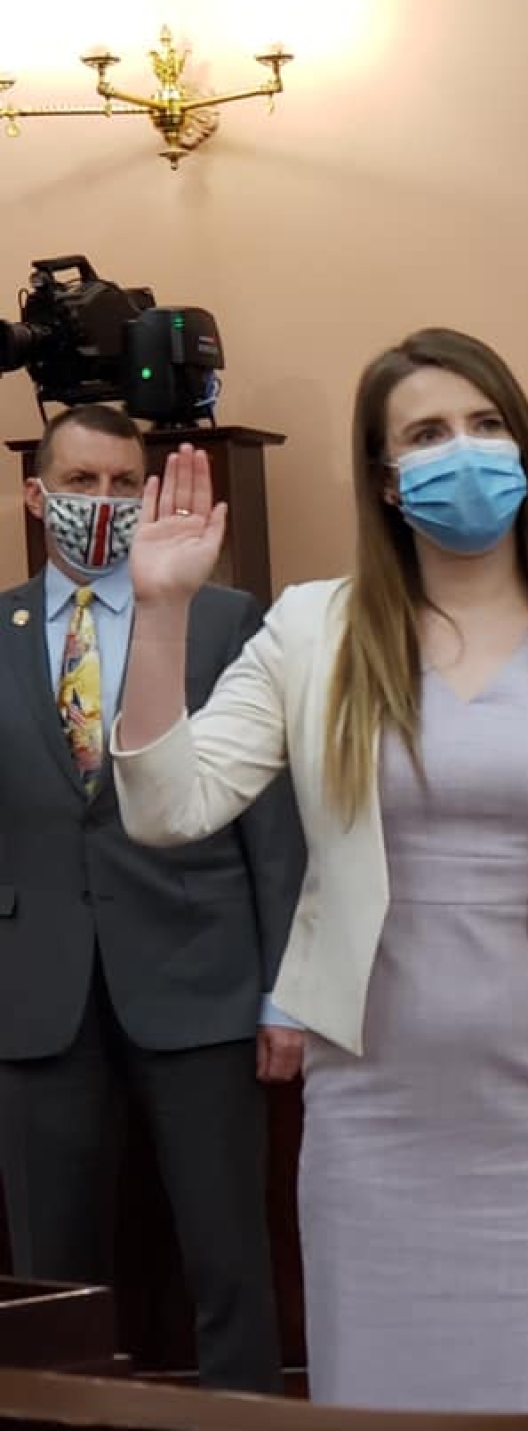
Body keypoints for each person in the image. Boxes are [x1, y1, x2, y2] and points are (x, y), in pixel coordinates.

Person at [112, 327, 528, 1413]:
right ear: (387, 479)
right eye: (428, 434)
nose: (464, 452)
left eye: (486, 426)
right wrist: (159, 612)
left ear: (525, 449)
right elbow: (166, 806)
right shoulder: (314, 627)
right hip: (376, 1110)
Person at [0, 401, 306, 1393]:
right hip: (34, 995)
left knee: (228, 1256)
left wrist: (284, 988)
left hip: (200, 980)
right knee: (54, 1279)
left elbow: (272, 820)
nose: (104, 501)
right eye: (81, 482)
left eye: (123, 483)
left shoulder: (222, 619)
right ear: (34, 495)